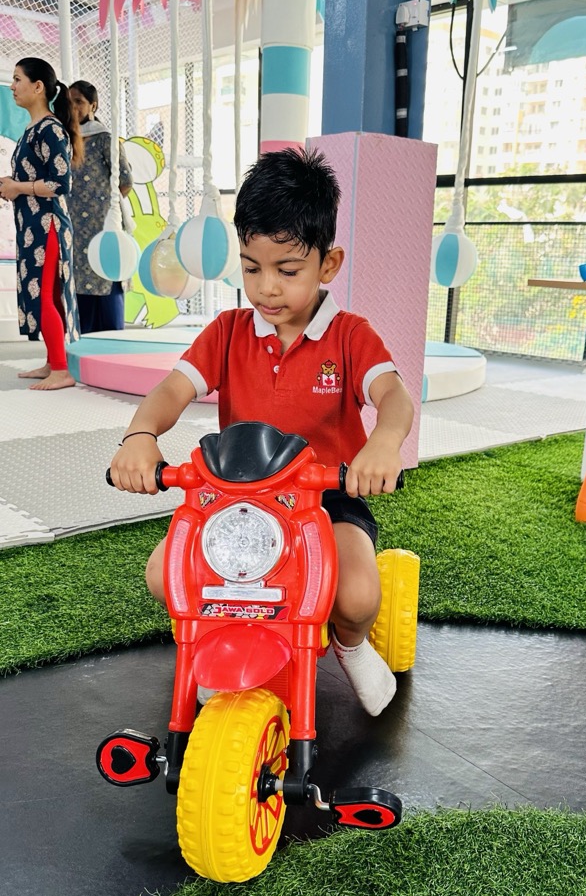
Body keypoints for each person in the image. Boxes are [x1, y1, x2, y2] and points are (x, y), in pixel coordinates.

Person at [110, 148, 414, 717]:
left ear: (329, 264)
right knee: (165, 574)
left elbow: (393, 396)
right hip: (236, 499)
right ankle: (217, 643)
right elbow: (173, 390)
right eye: (252, 268)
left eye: (287, 270)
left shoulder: (350, 335)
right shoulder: (227, 331)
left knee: (355, 595)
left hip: (326, 499)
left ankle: (350, 647)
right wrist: (140, 435)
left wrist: (383, 443)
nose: (266, 288)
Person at [0, 58, 83, 390]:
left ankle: (61, 370)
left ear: (38, 87)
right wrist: (12, 185)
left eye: (18, 79)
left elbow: (61, 184)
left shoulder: (50, 129)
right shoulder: (32, 131)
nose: (12, 86)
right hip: (33, 225)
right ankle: (53, 362)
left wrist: (17, 187)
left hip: (48, 225)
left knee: (47, 296)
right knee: (46, 294)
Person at [69, 80, 133, 334]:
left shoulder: (105, 137)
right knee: (81, 285)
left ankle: (111, 346)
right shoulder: (66, 139)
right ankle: (84, 347)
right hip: (75, 226)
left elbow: (125, 180)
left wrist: (104, 206)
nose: (73, 108)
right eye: (69, 102)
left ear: (93, 105)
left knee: (107, 276)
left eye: (79, 102)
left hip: (103, 224)